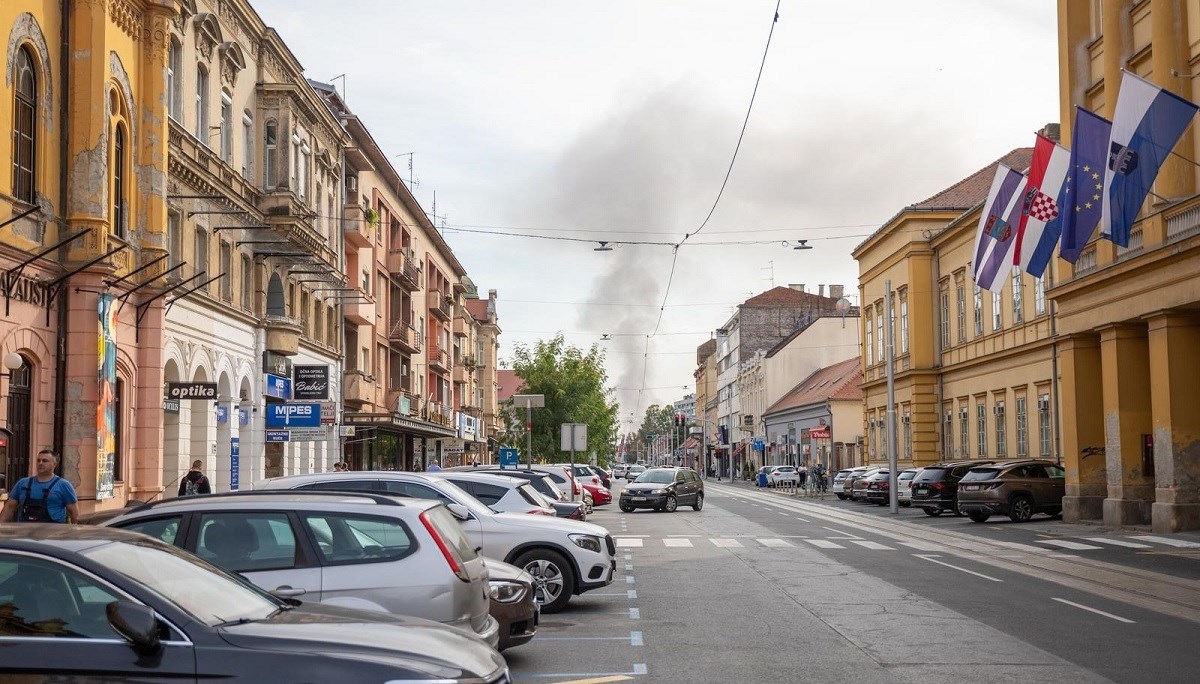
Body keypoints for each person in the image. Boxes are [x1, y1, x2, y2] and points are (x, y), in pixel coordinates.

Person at [0, 449, 80, 523]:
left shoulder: (64, 485)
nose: (40, 463)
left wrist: (75, 531)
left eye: (45, 461)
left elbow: (74, 513)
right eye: (38, 460)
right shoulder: (22, 483)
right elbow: (9, 507)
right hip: (25, 531)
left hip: (53, 532)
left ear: (55, 464)